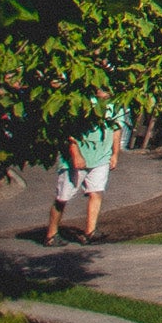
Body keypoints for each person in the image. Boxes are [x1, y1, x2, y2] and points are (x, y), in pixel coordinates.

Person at [44, 101, 126, 245]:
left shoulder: (115, 106)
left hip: (101, 157)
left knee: (97, 191)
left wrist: (115, 154)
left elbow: (117, 130)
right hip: (77, 157)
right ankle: (51, 235)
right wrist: (75, 154)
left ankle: (90, 231)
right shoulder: (82, 101)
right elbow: (68, 129)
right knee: (63, 197)